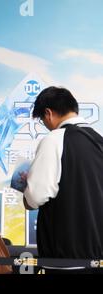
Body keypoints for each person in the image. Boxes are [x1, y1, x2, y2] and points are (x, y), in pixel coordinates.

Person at [24, 87, 103, 274]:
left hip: (64, 257)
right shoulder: (99, 140)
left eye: (42, 120)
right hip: (98, 257)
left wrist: (26, 194)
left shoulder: (54, 140)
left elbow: (36, 197)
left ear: (48, 113)